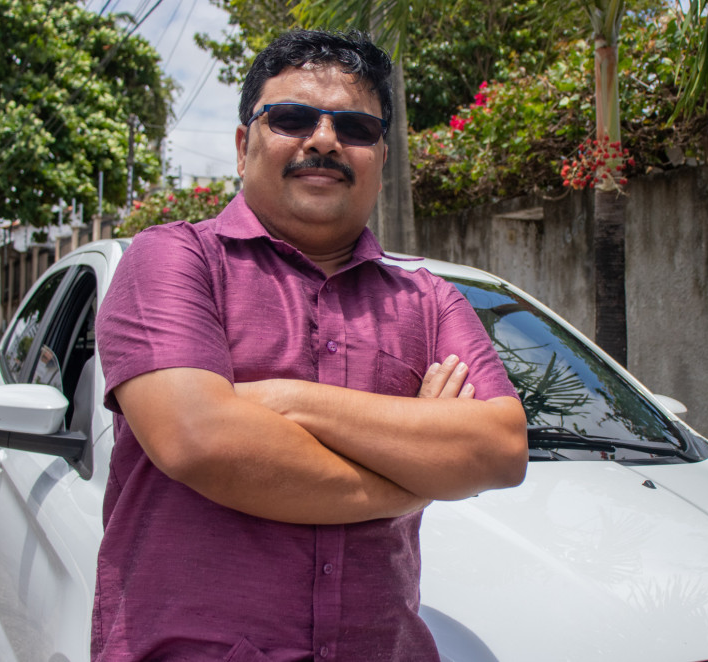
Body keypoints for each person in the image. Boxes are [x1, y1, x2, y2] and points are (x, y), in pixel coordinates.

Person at [93, 29, 527, 662]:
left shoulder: (430, 300)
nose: (324, 140)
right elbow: (200, 440)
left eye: (353, 127)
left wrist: (288, 402)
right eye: (293, 118)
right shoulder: (172, 260)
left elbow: (501, 448)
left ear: (381, 158)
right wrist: (413, 477)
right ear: (245, 145)